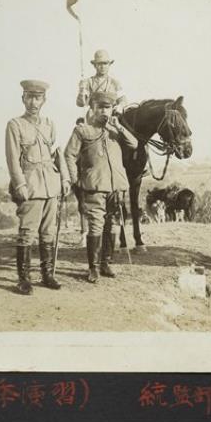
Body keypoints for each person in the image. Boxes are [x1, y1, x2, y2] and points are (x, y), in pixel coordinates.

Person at [64, 91, 138, 283]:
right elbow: (69, 155)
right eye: (100, 107)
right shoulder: (83, 130)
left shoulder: (116, 130)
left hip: (116, 186)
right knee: (96, 225)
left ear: (112, 109)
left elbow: (134, 144)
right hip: (94, 186)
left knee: (112, 223)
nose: (104, 111)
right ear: (93, 108)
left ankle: (106, 262)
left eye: (108, 108)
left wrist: (119, 127)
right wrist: (75, 180)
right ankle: (94, 268)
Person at [5, 80, 71, 295]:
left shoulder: (49, 124)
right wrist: (20, 184)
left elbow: (57, 154)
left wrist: (65, 179)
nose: (33, 102)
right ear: (23, 98)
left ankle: (47, 275)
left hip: (51, 185)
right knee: (27, 233)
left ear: (44, 100)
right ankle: (24, 279)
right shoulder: (15, 125)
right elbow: (12, 159)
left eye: (38, 98)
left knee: (48, 232)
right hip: (31, 185)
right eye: (29, 97)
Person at [76, 49, 127, 117]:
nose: (102, 67)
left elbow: (123, 100)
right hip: (94, 117)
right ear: (95, 65)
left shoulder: (115, 83)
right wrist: (81, 91)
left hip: (111, 116)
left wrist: (120, 106)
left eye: (105, 63)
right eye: (99, 64)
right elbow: (81, 104)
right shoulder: (88, 82)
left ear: (109, 65)